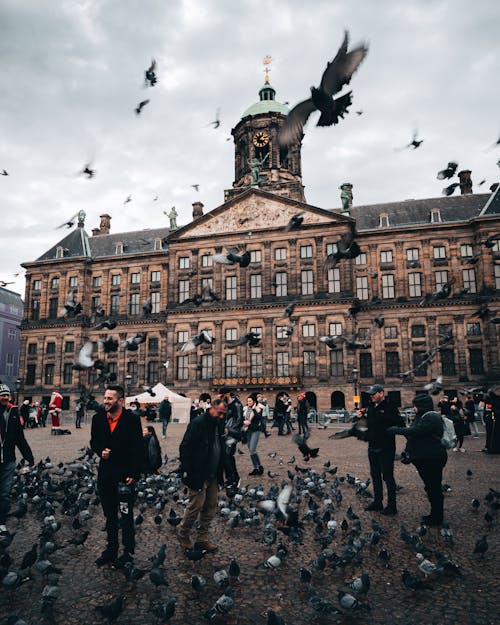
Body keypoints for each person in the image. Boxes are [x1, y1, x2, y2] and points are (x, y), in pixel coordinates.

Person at [90, 385, 144, 568]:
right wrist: (100, 451)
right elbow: (94, 442)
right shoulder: (97, 419)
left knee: (126, 516)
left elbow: (138, 449)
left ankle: (128, 552)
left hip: (124, 476)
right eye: (105, 398)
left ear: (120, 401)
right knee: (110, 515)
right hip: (105, 475)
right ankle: (111, 549)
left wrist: (134, 474)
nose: (105, 401)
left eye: (110, 399)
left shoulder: (132, 420)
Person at [388, 393, 447, 526]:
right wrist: (408, 453)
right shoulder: (421, 416)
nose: (414, 408)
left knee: (434, 488)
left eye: (416, 406)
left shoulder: (432, 416)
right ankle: (434, 514)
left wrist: (396, 430)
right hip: (424, 457)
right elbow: (414, 438)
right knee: (430, 487)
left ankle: (437, 517)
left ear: (422, 406)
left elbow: (417, 431)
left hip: (433, 457)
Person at [177, 398, 227, 552]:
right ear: (211, 408)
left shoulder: (218, 424)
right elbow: (185, 447)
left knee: (211, 505)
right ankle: (183, 533)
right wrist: (188, 472)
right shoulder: (198, 423)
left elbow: (220, 447)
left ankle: (202, 539)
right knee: (195, 505)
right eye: (220, 413)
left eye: (224, 414)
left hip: (212, 472)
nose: (221, 416)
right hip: (197, 472)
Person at [357, 384, 405, 515]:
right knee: (375, 475)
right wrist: (362, 417)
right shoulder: (371, 407)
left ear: (381, 393)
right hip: (372, 446)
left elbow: (401, 424)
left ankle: (392, 506)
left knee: (388, 477)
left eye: (374, 393)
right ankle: (378, 502)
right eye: (371, 394)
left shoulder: (390, 406)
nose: (371, 396)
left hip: (386, 447)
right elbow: (370, 424)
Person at [0, 384, 34, 531]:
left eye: (7, 395)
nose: (5, 397)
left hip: (8, 460)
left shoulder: (14, 412)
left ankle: (1, 522)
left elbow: (20, 438)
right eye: (2, 395)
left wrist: (29, 457)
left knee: (5, 494)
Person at [219, 388, 243, 491]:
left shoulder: (237, 405)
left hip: (234, 434)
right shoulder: (224, 404)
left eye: (222, 395)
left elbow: (239, 420)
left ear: (227, 394)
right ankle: (231, 477)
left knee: (228, 454)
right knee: (225, 455)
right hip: (225, 433)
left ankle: (234, 477)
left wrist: (228, 430)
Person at [244, 394, 264, 476]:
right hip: (248, 431)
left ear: (254, 402)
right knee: (251, 451)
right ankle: (256, 468)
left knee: (252, 449)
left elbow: (259, 417)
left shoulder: (258, 408)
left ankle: (259, 466)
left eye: (250, 401)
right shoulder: (246, 409)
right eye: (248, 401)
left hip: (255, 430)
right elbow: (244, 418)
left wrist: (254, 409)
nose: (248, 402)